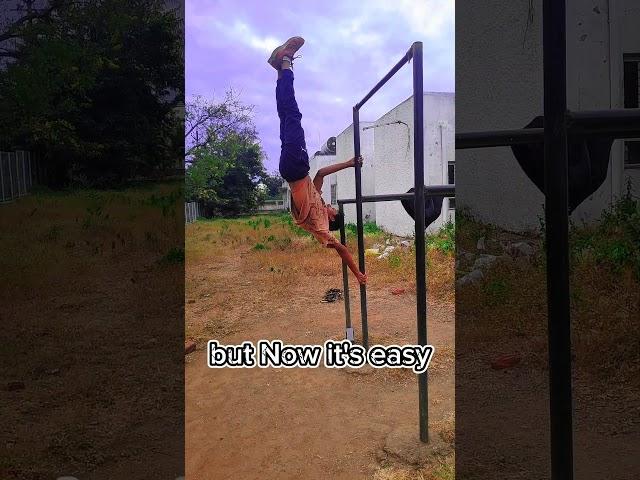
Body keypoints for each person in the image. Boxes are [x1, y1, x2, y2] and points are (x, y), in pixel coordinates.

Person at [268, 36, 367, 285]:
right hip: (292, 170)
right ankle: (281, 69)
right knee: (287, 115)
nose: (332, 207)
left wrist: (358, 275)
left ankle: (286, 60)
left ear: (333, 217)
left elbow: (343, 250)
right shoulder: (317, 204)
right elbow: (321, 173)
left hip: (296, 166)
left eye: (334, 210)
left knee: (292, 113)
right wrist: (348, 163)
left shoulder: (321, 226)